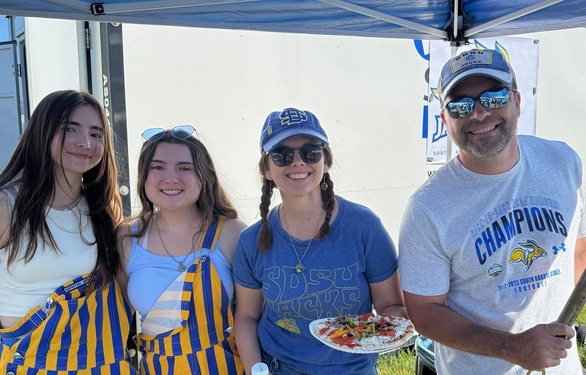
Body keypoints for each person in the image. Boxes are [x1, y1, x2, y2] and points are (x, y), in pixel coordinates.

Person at [398, 48, 586, 375]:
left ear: (516, 100)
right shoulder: (427, 207)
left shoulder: (563, 162)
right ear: (445, 119)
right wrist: (512, 347)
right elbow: (425, 311)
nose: (479, 113)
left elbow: (579, 251)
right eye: (460, 105)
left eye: (494, 96)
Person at [233, 108, 407, 375]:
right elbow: (246, 316)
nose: (297, 162)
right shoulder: (251, 241)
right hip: (280, 367)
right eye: (282, 155)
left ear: (326, 161)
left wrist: (385, 331)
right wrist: (256, 370)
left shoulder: (363, 226)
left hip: (352, 369)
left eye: (310, 152)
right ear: (267, 169)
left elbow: (391, 306)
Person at [0, 89, 135, 374]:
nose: (85, 142)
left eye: (96, 134)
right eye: (69, 129)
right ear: (42, 131)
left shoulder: (104, 208)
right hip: (28, 362)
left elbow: (122, 290)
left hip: (99, 362)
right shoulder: (7, 205)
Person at [117, 125, 246, 375]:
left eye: (184, 168)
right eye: (158, 167)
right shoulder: (127, 238)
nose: (171, 178)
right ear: (144, 176)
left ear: (203, 175)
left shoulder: (233, 234)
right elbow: (119, 322)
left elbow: (254, 318)